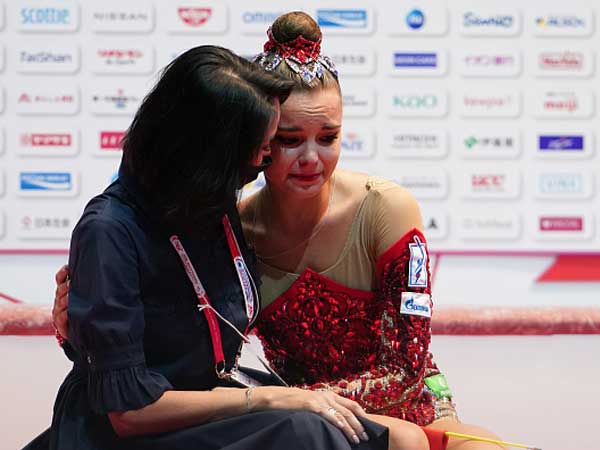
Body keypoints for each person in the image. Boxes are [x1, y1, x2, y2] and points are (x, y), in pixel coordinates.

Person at [52, 12, 507, 450]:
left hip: (386, 401)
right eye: (282, 142)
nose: (308, 158)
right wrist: (80, 330)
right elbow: (149, 344)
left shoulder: (381, 207)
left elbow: (406, 368)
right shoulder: (226, 218)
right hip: (279, 409)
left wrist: (297, 399)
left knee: (432, 440)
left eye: (328, 137)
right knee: (330, 436)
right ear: (220, 150)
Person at [26, 45, 390, 450]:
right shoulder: (110, 231)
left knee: (382, 435)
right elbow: (130, 413)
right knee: (307, 433)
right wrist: (266, 397)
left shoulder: (211, 205)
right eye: (263, 146)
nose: (266, 159)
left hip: (212, 403)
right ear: (208, 151)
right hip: (133, 430)